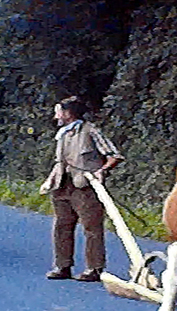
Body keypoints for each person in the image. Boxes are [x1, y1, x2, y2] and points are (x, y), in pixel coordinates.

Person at [39, 96, 124, 282]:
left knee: (91, 228)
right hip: (62, 185)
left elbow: (114, 156)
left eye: (58, 112)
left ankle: (94, 269)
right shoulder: (62, 134)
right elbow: (60, 162)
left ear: (68, 113)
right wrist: (49, 181)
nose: (56, 116)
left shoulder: (90, 131)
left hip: (85, 187)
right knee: (61, 226)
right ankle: (62, 266)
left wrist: (102, 171)